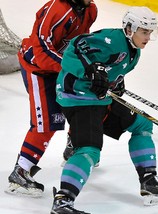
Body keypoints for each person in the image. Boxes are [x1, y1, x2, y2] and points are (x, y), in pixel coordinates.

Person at [50, 6, 158, 214]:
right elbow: (76, 47)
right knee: (89, 150)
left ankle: (149, 181)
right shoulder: (112, 40)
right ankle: (63, 201)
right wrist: (91, 69)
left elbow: (110, 69)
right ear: (129, 28)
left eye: (150, 32)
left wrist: (115, 82)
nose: (148, 36)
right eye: (144, 31)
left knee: (143, 124)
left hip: (100, 99)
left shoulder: (134, 51)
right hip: (78, 98)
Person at [5, 0, 98, 197]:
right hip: (37, 68)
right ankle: (20, 172)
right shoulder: (57, 10)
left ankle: (74, 146)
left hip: (59, 65)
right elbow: (41, 51)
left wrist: (93, 66)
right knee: (47, 122)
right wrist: (74, 68)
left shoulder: (90, 10)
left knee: (82, 102)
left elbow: (81, 44)